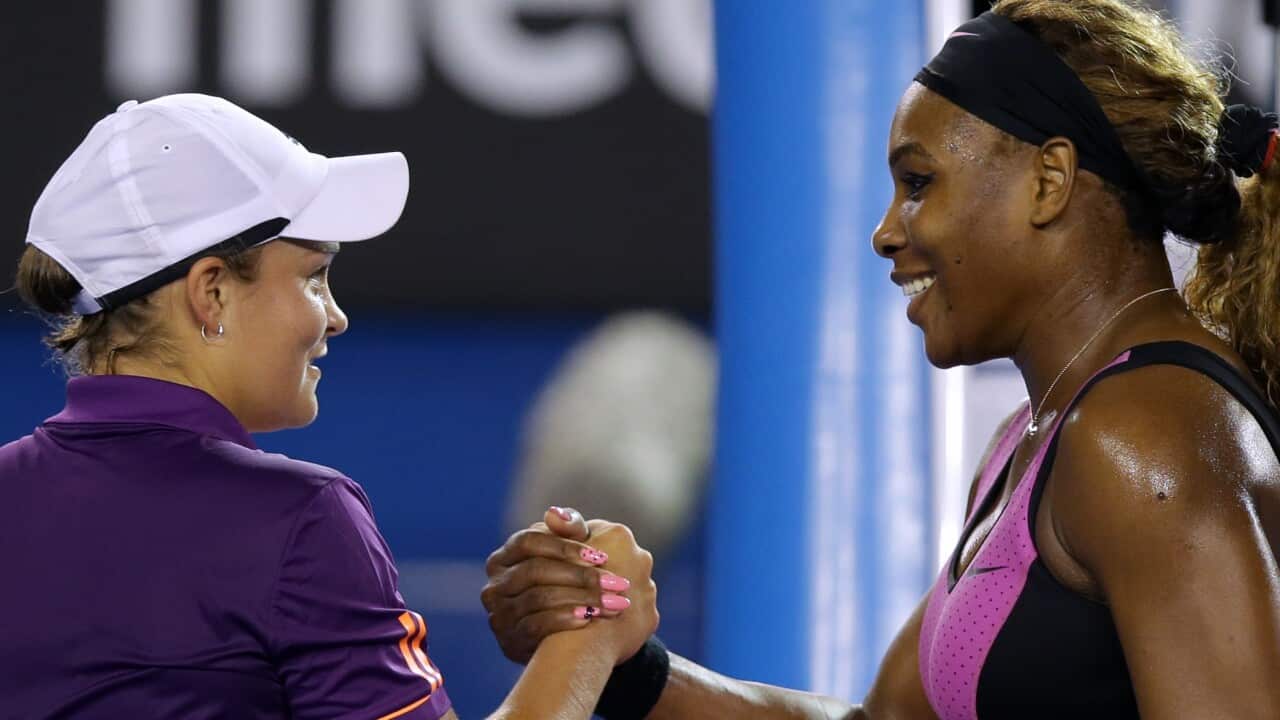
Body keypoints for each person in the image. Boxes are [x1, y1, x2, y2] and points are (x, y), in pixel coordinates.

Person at [480, 1, 1280, 718]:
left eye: (919, 182)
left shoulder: (1145, 437)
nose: (888, 231)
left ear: (1049, 180)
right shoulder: (1041, 436)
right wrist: (627, 663)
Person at [0, 93, 657, 719]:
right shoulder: (300, 520)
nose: (335, 317)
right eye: (313, 277)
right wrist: (596, 624)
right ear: (212, 293)